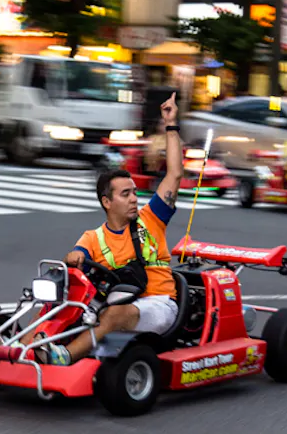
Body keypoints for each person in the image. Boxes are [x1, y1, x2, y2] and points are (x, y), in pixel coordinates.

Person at [45, 94, 183, 365]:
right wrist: (72, 258)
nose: (134, 199)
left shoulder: (151, 218)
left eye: (134, 192)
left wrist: (171, 123)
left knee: (113, 315)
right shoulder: (93, 237)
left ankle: (64, 357)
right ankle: (19, 348)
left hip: (159, 304)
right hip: (116, 302)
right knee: (56, 306)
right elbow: (76, 259)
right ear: (107, 202)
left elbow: (175, 174)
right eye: (125, 194)